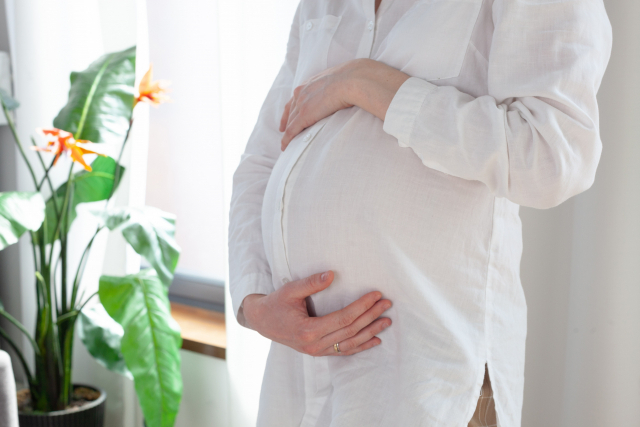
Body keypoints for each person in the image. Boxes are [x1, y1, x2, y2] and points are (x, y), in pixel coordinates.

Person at [228, 0, 612, 425]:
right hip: (295, 383)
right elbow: (262, 159)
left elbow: (550, 155)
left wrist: (365, 82)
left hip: (428, 385)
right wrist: (254, 302)